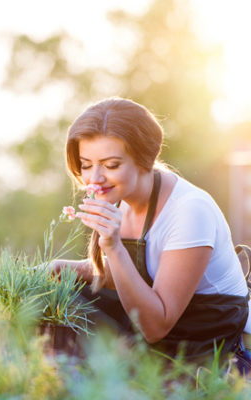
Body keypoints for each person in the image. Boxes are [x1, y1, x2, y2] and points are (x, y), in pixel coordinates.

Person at [50, 97, 250, 364]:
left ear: (144, 159)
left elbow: (156, 327)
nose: (94, 179)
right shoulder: (122, 196)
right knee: (57, 302)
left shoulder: (189, 210)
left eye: (111, 165)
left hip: (202, 340)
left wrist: (113, 246)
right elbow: (144, 270)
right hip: (159, 324)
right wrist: (65, 268)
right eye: (86, 165)